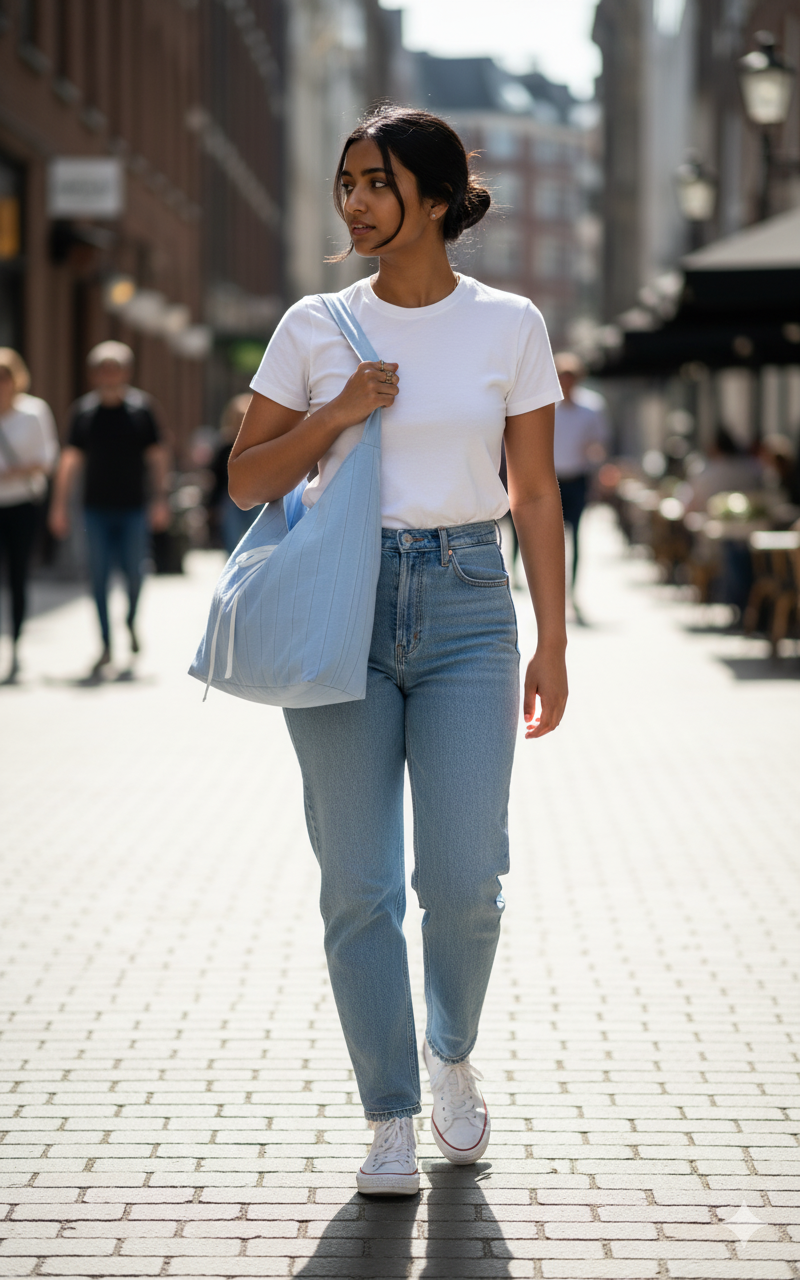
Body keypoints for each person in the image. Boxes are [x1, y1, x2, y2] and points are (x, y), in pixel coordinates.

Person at [227, 106, 568, 1196]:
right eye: (344, 184)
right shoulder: (314, 323)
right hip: (344, 603)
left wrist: (550, 638)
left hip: (470, 602)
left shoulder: (509, 322)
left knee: (466, 877)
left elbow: (534, 490)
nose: (354, 203)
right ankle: (387, 1111)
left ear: (431, 194)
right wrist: (332, 414)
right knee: (359, 883)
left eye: (374, 182)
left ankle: (449, 1052)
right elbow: (245, 480)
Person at [49, 342, 170, 673]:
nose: (109, 375)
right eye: (103, 369)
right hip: (95, 510)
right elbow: (70, 461)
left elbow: (157, 457)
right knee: (98, 578)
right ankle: (104, 645)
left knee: (135, 574)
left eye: (114, 368)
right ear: (94, 374)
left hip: (134, 508)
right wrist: (58, 505)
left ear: (126, 372)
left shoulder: (142, 410)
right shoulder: (84, 413)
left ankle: (130, 620)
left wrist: (160, 499)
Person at [0, 349, 59, 682]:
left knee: (18, 575)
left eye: (4, 376)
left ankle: (16, 646)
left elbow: (47, 459)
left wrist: (16, 471)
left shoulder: (33, 413)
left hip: (22, 504)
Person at [553, 352, 610, 596]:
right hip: (551, 480)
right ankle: (552, 589)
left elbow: (600, 443)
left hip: (578, 478)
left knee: (575, 537)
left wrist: (598, 467)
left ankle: (571, 589)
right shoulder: (547, 406)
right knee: (552, 539)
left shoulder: (591, 407)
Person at [208, 394, 258, 554]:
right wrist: (213, 505)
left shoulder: (262, 444)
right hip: (230, 500)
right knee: (232, 544)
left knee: (258, 540)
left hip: (258, 498)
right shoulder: (224, 447)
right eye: (239, 418)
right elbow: (215, 478)